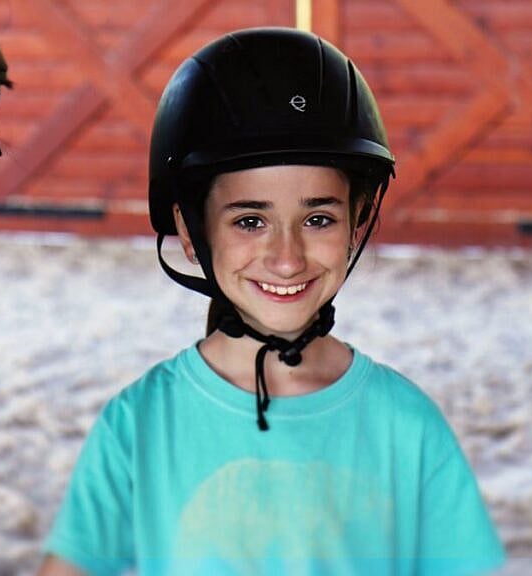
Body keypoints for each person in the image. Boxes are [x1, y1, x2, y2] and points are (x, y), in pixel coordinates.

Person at [38, 27, 505, 575]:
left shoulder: (408, 425)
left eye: (318, 218)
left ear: (357, 223)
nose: (286, 258)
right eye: (251, 220)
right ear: (191, 232)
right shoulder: (138, 424)